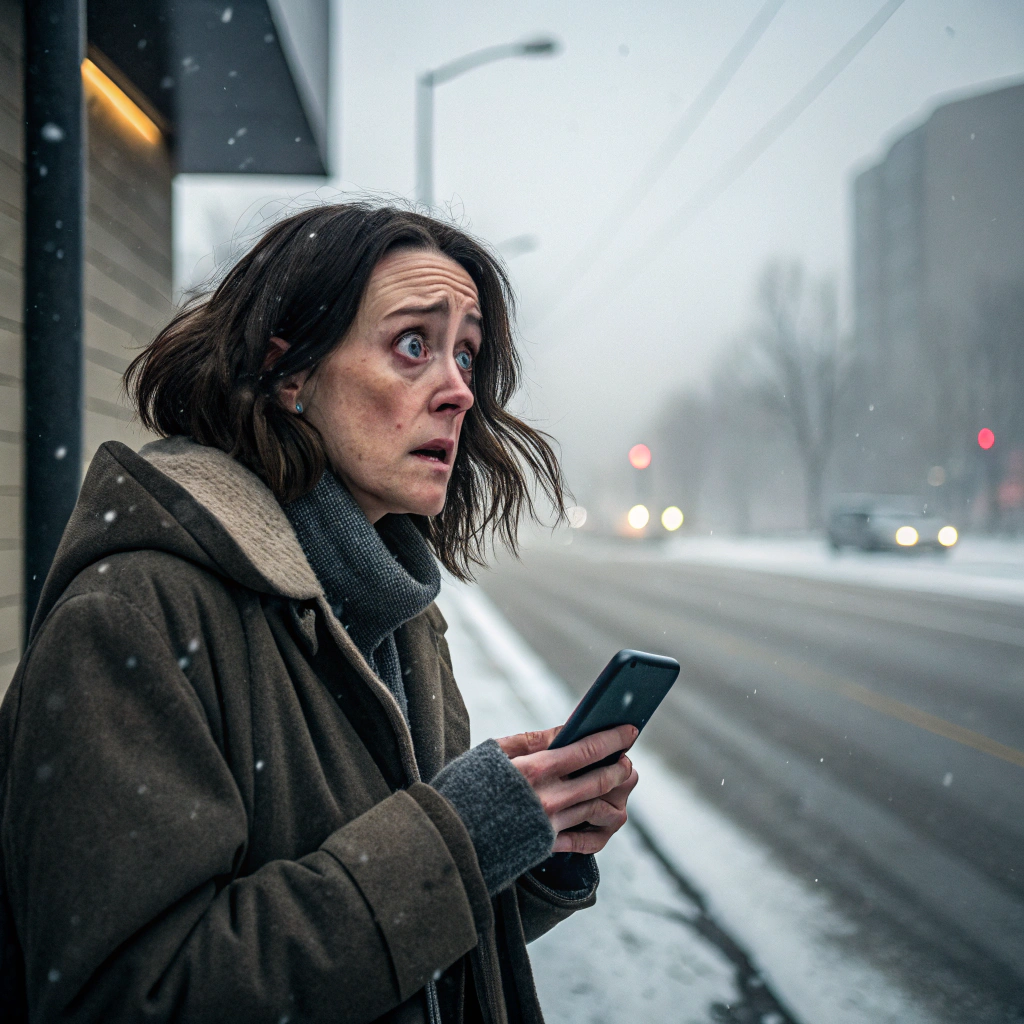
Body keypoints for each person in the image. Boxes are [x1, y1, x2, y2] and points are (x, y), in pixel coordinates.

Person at [0, 203, 639, 1023]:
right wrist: (459, 837)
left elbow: (401, 952)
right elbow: (134, 998)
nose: (457, 392)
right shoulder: (134, 619)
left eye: (467, 355)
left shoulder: (399, 619)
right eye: (415, 345)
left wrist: (529, 852)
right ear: (289, 373)